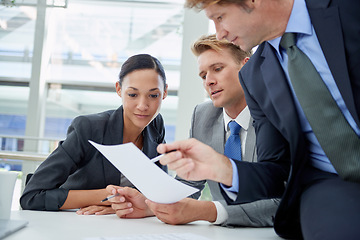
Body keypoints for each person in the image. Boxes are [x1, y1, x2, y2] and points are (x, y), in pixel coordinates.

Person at [156, 0, 360, 239]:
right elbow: (277, 171)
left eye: (220, 17)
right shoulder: (255, 78)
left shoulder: (347, 9)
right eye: (203, 74)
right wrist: (223, 168)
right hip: (331, 183)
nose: (219, 32)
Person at [146, 34, 280, 227]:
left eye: (217, 69)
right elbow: (189, 184)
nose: (208, 81)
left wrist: (208, 211)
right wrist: (149, 204)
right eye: (203, 76)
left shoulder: (276, 115)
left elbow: (284, 200)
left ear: (247, 67)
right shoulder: (203, 115)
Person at [20, 54, 168, 215]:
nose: (143, 106)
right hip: (76, 222)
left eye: (153, 95)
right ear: (119, 89)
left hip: (126, 225)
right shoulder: (88, 128)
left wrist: (118, 206)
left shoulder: (155, 125)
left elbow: (160, 192)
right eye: (133, 94)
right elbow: (32, 197)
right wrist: (106, 197)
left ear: (165, 92)